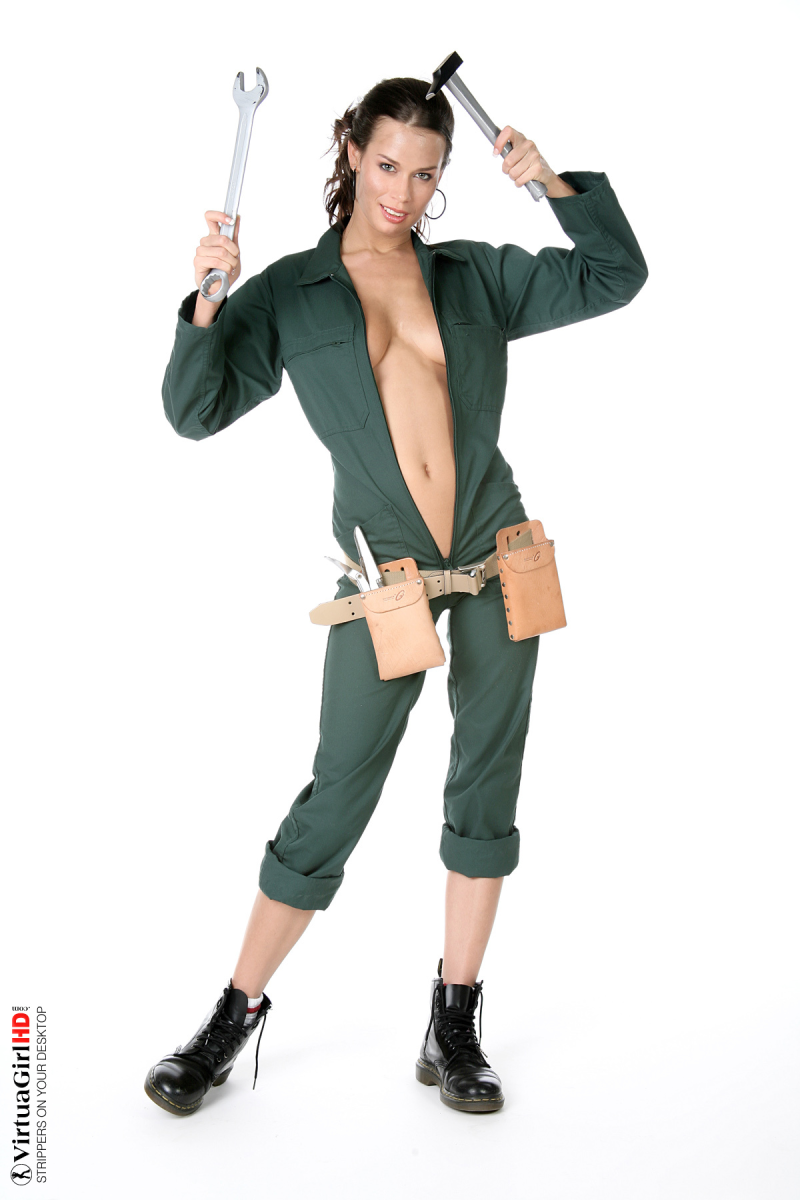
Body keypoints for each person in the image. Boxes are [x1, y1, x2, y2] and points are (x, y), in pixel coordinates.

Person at [146, 75, 648, 1118]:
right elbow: (193, 410)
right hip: (388, 577)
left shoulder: (473, 275)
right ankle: (234, 1013)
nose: (402, 191)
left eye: (425, 173)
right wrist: (206, 299)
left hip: (496, 550)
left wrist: (550, 184)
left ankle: (453, 1019)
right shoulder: (290, 292)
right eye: (386, 165)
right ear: (351, 153)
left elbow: (614, 274)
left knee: (486, 780)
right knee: (338, 789)